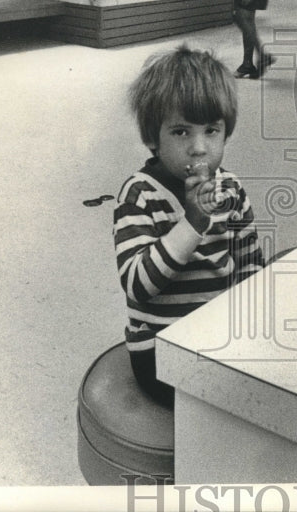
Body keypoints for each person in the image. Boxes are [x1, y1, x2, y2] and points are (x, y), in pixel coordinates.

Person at [114, 46, 266, 405]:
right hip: (159, 349)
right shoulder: (138, 196)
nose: (199, 148)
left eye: (211, 131)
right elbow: (137, 284)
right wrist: (192, 223)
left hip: (218, 335)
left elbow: (249, 263)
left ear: (226, 133)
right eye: (181, 132)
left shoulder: (231, 188)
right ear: (152, 137)